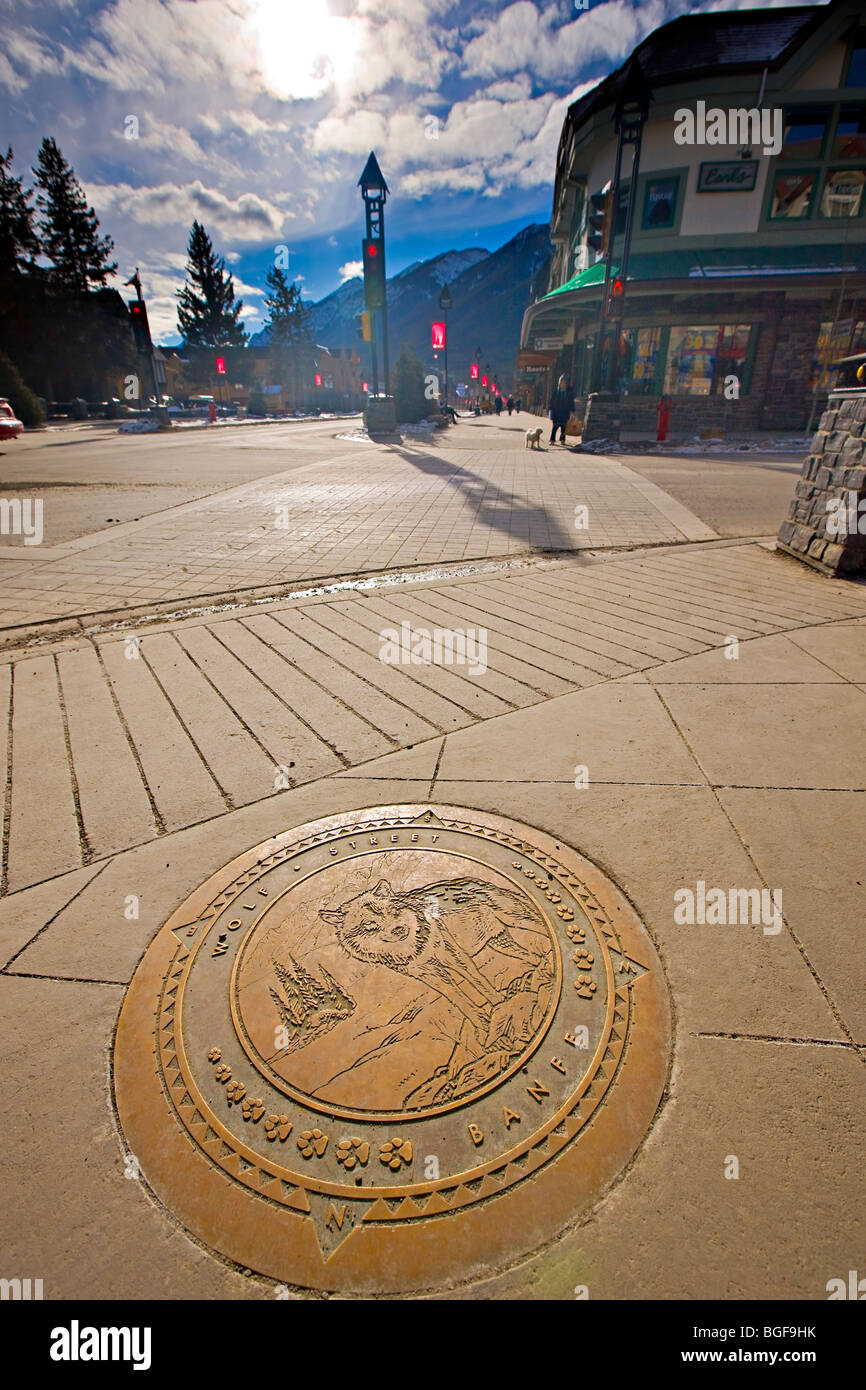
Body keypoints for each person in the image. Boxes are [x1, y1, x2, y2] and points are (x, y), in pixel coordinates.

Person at [548, 375, 573, 444]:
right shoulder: (556, 391)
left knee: (563, 427)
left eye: (564, 382)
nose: (563, 384)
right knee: (555, 426)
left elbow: (571, 401)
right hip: (556, 412)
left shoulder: (568, 391)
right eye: (562, 382)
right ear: (559, 383)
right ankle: (552, 440)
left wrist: (572, 410)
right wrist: (550, 409)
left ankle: (562, 439)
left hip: (564, 412)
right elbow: (551, 401)